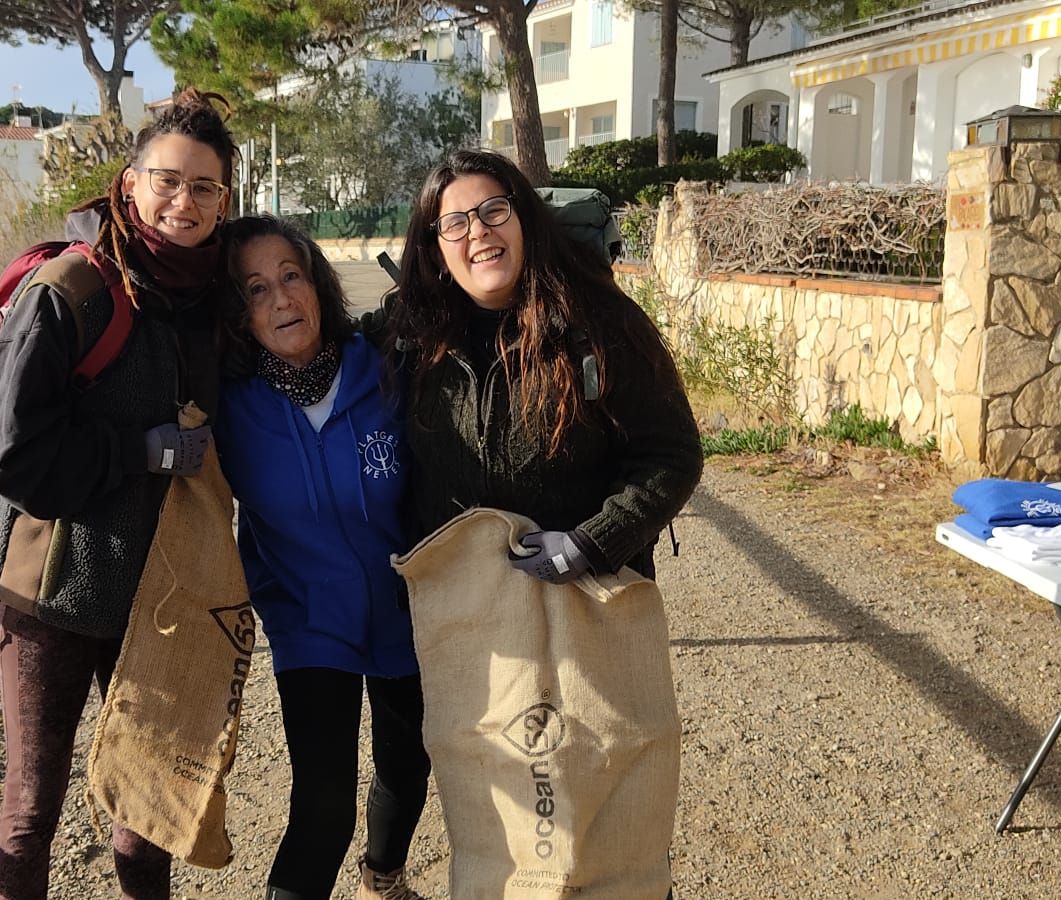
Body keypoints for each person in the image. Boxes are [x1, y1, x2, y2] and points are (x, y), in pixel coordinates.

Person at [385, 150, 702, 886]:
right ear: (434, 245)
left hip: (586, 607)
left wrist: (593, 541)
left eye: (494, 210)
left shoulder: (598, 323)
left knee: (594, 775)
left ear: (523, 218)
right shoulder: (409, 335)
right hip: (469, 619)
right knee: (494, 793)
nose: (478, 233)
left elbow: (671, 454)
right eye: (454, 222)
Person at [0, 87, 238, 900]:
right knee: (30, 808)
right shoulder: (71, 290)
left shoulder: (210, 301)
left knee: (147, 812)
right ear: (129, 183)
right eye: (166, 180)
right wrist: (140, 451)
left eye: (203, 187)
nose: (182, 202)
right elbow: (7, 449)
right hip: (51, 590)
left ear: (226, 199)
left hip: (158, 596)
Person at [212, 217, 429, 900]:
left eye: (291, 276)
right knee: (324, 804)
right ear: (236, 313)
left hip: (406, 610)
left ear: (316, 283)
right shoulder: (227, 407)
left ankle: (384, 875)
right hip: (309, 619)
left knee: (407, 766)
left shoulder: (384, 368)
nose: (280, 299)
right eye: (255, 289)